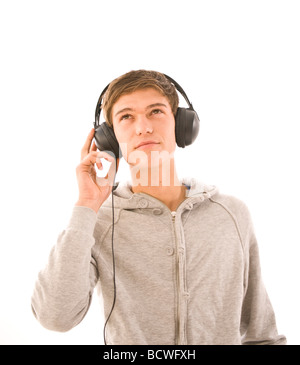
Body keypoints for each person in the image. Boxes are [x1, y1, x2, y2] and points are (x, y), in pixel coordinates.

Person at [31, 70, 286, 345]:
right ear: (110, 140)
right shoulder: (98, 222)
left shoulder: (232, 214)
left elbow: (262, 334)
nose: (143, 127)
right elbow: (55, 317)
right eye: (126, 116)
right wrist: (88, 204)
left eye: (155, 111)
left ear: (181, 125)